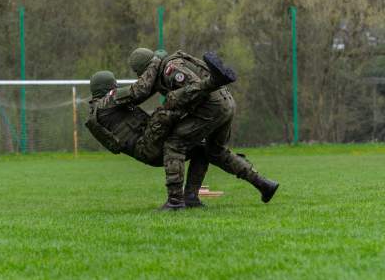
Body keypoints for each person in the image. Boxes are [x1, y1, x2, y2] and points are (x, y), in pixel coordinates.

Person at [111, 48, 279, 209]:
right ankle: (263, 184)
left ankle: (175, 202)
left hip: (211, 108)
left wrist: (174, 105)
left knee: (174, 144)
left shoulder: (170, 70)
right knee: (214, 151)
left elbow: (198, 89)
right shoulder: (167, 67)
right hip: (225, 104)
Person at [85, 70, 226, 208]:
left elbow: (143, 93)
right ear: (109, 86)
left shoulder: (98, 110)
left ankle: (190, 198)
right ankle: (210, 83)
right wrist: (155, 63)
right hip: (149, 146)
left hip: (147, 150)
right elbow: (141, 89)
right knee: (172, 105)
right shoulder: (108, 101)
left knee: (201, 149)